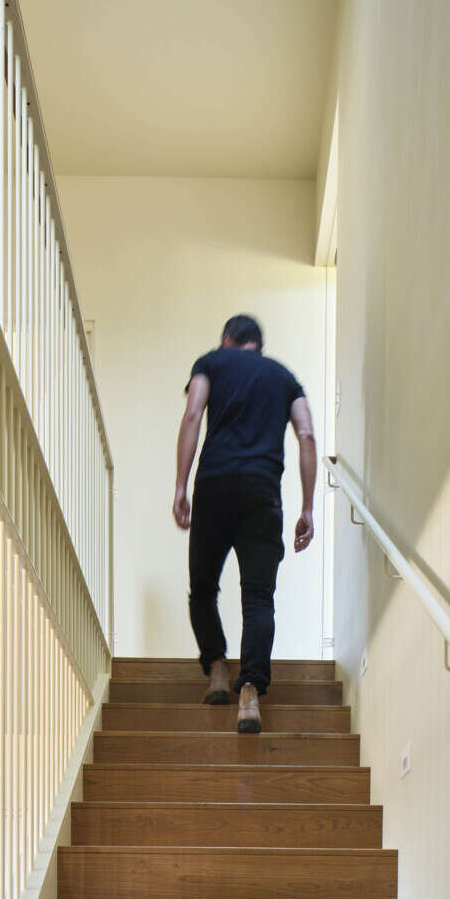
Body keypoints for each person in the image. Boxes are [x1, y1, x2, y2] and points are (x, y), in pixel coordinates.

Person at [171, 312, 317, 732]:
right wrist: (308, 507)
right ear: (258, 345)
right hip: (262, 492)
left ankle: (217, 668)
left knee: (203, 587)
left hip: (214, 485)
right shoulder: (285, 378)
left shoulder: (211, 363)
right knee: (258, 598)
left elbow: (192, 415)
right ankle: (249, 694)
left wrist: (180, 485)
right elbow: (306, 435)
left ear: (227, 340)